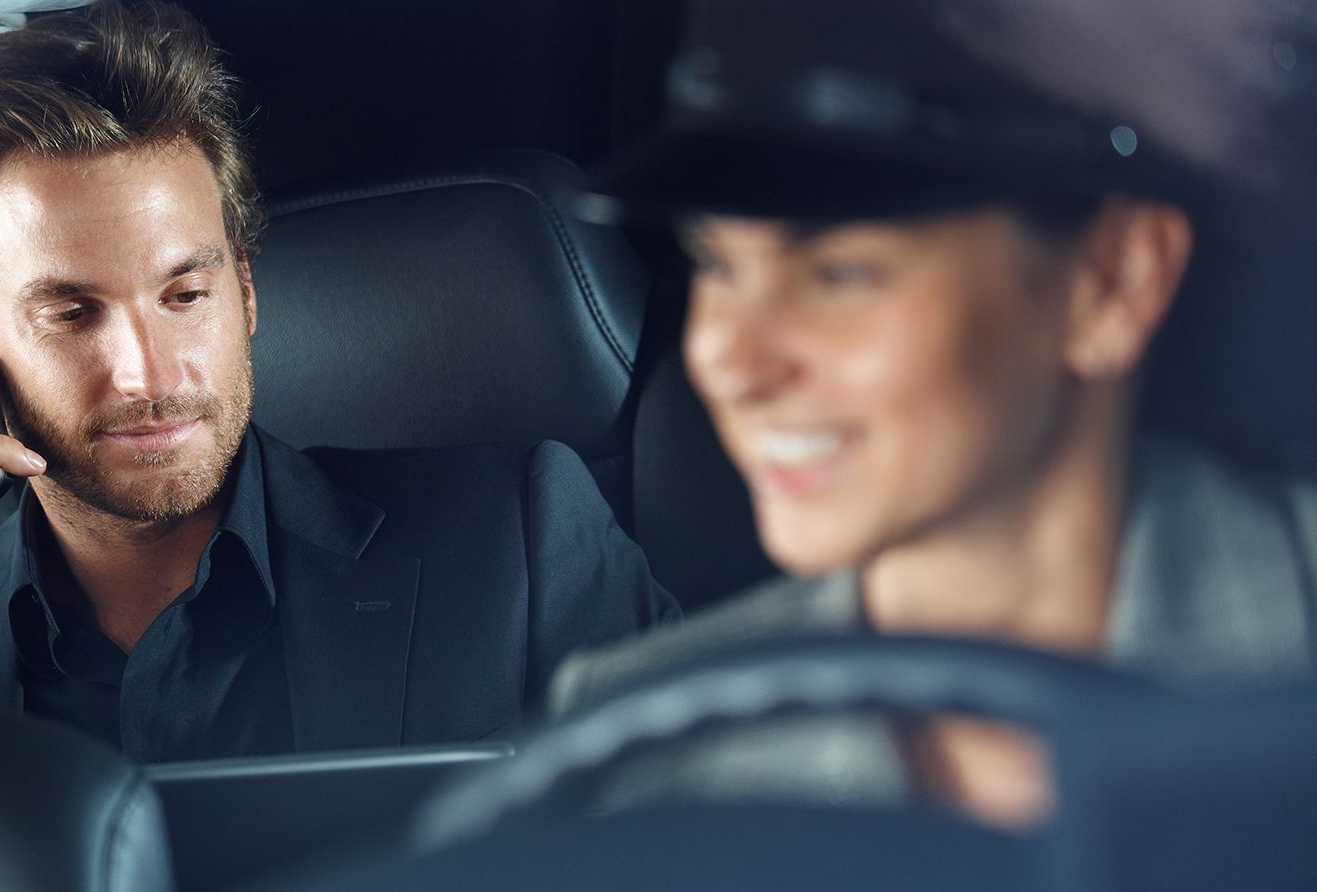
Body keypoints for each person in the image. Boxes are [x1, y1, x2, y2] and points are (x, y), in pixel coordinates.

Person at [0, 1, 677, 763]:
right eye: (71, 314)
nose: (145, 375)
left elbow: (717, 871)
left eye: (185, 295)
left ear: (244, 291)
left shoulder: (520, 544)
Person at [549, 0, 1317, 828]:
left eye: (840, 274)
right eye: (717, 263)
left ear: (1112, 280)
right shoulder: (639, 754)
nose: (728, 362)